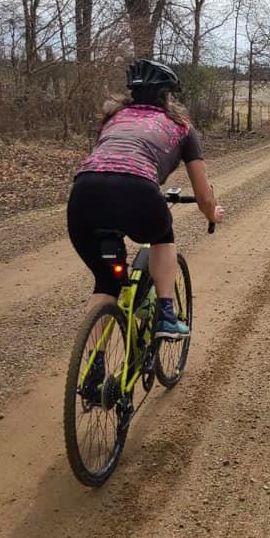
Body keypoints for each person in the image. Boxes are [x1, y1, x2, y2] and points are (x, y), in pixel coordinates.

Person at [68, 58, 224, 339]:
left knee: (106, 282)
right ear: (168, 96)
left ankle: (93, 364)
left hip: (84, 192)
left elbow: (110, 161)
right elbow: (203, 195)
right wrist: (212, 214)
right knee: (163, 234)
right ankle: (165, 314)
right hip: (137, 189)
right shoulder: (181, 127)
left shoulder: (113, 119)